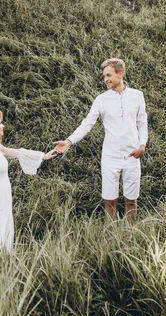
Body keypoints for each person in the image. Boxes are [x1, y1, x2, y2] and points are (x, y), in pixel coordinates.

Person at [53, 58, 148, 222]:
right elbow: (86, 124)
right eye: (104, 76)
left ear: (120, 73)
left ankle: (130, 234)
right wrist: (68, 142)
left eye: (108, 75)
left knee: (131, 201)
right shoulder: (101, 99)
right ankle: (110, 234)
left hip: (133, 155)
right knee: (110, 200)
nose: (105, 79)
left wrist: (142, 145)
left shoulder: (137, 96)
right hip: (110, 157)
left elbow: (142, 122)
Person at [0, 109, 57, 252]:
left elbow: (17, 152)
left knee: (5, 226)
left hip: (4, 195)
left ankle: (4, 260)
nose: (3, 126)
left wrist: (43, 156)